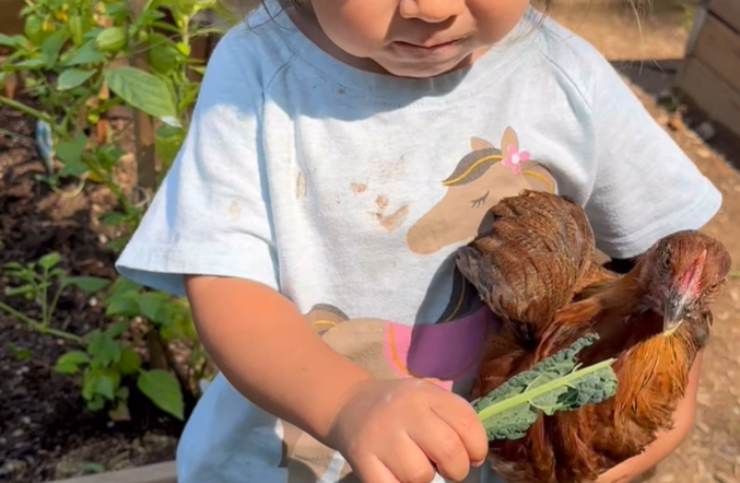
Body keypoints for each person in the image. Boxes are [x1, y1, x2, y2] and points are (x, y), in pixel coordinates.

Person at [115, 0, 721, 481]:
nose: (430, 8)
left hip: (493, 461)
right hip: (284, 462)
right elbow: (228, 291)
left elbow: (670, 264)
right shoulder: (258, 74)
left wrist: (667, 401)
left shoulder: (564, 73)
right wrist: (345, 404)